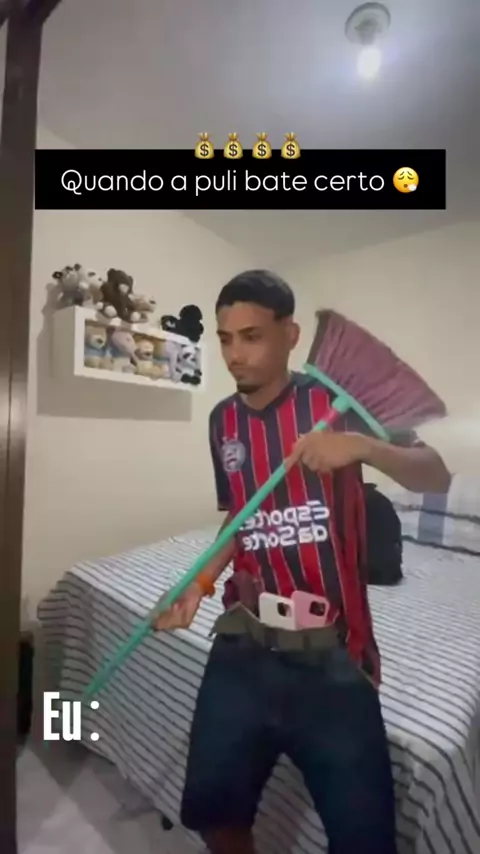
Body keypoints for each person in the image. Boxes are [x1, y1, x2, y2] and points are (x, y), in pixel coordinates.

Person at [154, 270, 450, 854]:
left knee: (365, 840)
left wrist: (363, 447)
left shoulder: (337, 405)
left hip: (333, 654)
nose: (235, 354)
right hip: (242, 641)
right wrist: (200, 581)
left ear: (290, 335)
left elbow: (435, 475)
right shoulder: (222, 421)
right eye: (225, 338)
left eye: (252, 336)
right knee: (215, 814)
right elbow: (239, 519)